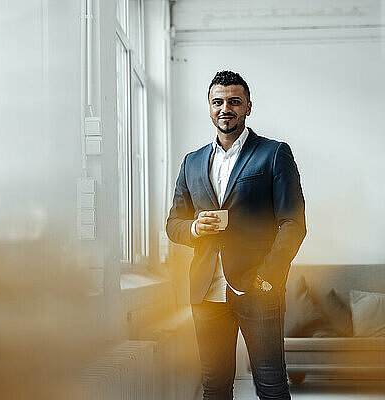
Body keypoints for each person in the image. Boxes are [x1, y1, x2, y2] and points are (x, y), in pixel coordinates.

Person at [166, 70, 306, 400]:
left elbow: (293, 223)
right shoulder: (191, 162)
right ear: (210, 107)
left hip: (257, 289)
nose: (225, 108)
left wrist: (268, 277)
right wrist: (194, 228)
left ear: (247, 107)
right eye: (218, 102)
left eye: (234, 102)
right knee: (214, 387)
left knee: (271, 386)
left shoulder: (273, 154)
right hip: (206, 292)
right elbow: (174, 224)